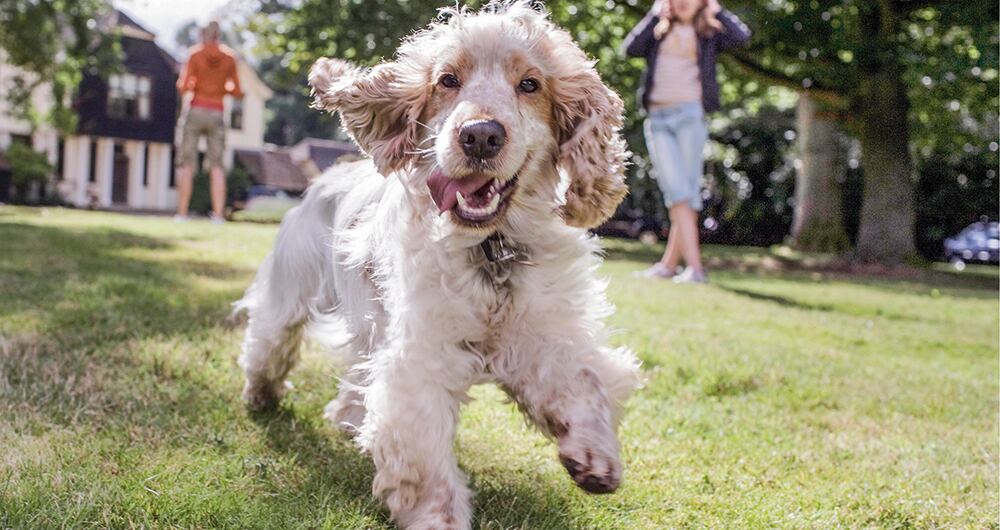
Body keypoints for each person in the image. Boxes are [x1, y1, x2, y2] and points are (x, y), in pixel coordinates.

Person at [624, 0, 750, 283]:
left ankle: (692, 268)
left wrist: (717, 10)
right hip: (658, 119)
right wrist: (653, 14)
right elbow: (630, 48)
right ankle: (677, 266)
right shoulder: (659, 28)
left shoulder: (708, 31)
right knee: (678, 191)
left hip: (690, 117)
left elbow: (742, 37)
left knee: (686, 192)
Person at [174, 21, 242, 223]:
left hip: (195, 109)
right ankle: (218, 216)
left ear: (203, 35)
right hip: (217, 112)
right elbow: (237, 91)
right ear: (219, 35)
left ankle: (182, 213)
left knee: (187, 164)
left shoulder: (194, 54)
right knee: (217, 167)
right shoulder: (229, 57)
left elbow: (183, 87)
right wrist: (221, 88)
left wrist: (197, 84)